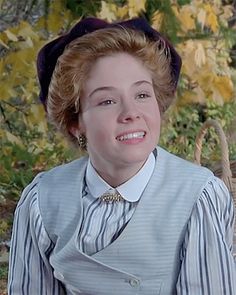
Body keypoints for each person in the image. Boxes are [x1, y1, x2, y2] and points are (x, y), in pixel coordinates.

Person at [8, 17, 235, 295]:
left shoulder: (196, 196)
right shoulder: (41, 201)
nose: (131, 112)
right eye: (107, 101)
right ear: (75, 122)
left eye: (141, 94)